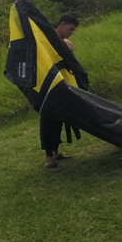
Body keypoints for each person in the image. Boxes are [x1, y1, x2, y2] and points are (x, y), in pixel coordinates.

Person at [42, 13, 80, 170]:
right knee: (48, 121)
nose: (71, 33)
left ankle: (56, 152)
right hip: (48, 87)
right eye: (70, 29)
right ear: (62, 24)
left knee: (59, 119)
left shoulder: (65, 43)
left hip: (62, 86)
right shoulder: (46, 40)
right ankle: (49, 160)